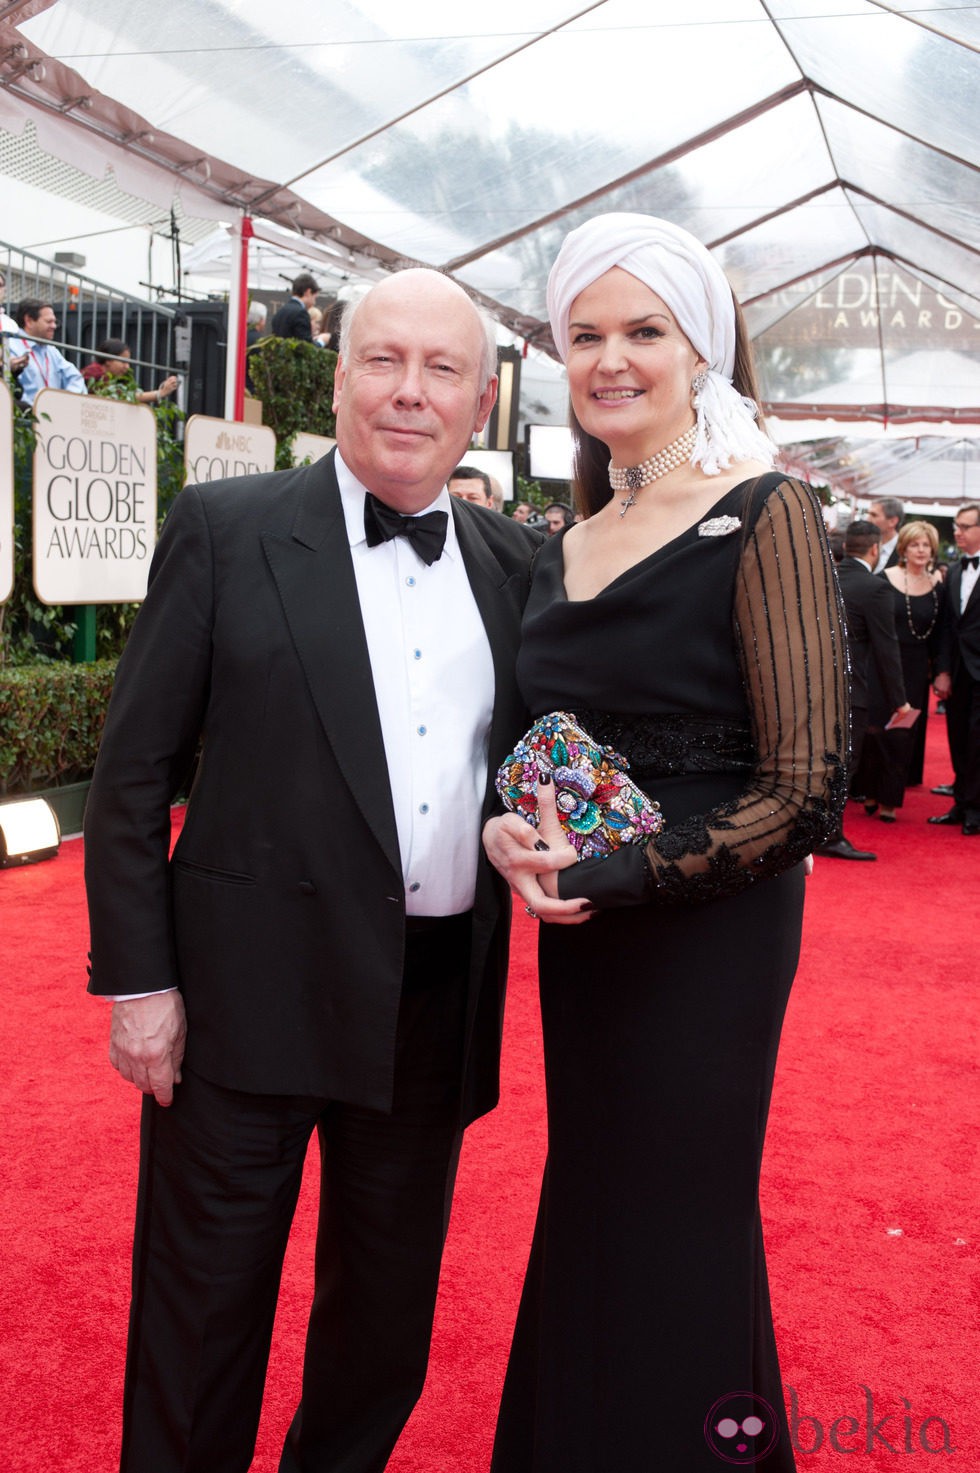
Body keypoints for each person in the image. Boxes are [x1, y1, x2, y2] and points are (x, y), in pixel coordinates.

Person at [83, 267, 540, 1473]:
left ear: (479, 402)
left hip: (430, 1003)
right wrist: (138, 984)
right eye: (381, 361)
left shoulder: (511, 565)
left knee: (381, 1331)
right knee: (200, 1318)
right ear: (336, 379)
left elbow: (541, 762)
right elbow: (132, 776)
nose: (408, 392)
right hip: (244, 997)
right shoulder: (227, 531)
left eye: (440, 369)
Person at [482, 212, 848, 1471]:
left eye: (644, 331)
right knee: (588, 1194)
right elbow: (534, 743)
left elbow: (804, 789)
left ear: (700, 352)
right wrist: (508, 833)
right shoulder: (562, 546)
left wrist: (617, 873)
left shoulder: (764, 515)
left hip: (710, 932)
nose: (610, 360)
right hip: (583, 937)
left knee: (678, 1209)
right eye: (583, 335)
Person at [819, 520, 909, 860]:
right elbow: (888, 651)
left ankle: (814, 833)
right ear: (874, 549)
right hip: (850, 692)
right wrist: (899, 700)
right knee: (845, 765)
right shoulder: (876, 589)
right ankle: (829, 836)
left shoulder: (823, 578)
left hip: (814, 688)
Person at [859, 520, 944, 818]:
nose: (921, 550)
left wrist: (940, 670)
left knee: (902, 734)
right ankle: (869, 790)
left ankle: (889, 801)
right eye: (915, 545)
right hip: (880, 666)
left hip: (916, 668)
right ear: (904, 549)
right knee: (874, 731)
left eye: (926, 545)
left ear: (932, 550)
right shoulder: (884, 579)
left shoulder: (937, 586)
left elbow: (942, 633)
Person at [929, 503, 980, 836]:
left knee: (977, 741)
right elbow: (947, 626)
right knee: (958, 737)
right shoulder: (955, 570)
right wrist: (942, 670)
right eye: (956, 526)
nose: (957, 532)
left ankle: (975, 808)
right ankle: (961, 803)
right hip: (959, 672)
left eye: (964, 526)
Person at [7, 299, 86, 405]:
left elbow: (75, 378)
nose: (54, 326)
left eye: (55, 321)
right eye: (49, 321)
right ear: (29, 321)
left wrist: (65, 403)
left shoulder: (51, 350)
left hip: (53, 416)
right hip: (26, 417)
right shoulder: (10, 347)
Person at [82, 337, 178, 405]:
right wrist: (160, 393)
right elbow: (125, 397)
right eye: (123, 361)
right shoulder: (92, 374)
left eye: (128, 362)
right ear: (108, 360)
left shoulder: (118, 379)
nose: (127, 367)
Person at [271, 271, 319, 340]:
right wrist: (321, 341)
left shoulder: (280, 311)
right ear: (308, 292)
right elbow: (305, 345)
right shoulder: (301, 313)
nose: (314, 302)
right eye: (315, 297)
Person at [868, 496, 903, 572]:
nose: (868, 519)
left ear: (892, 521)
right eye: (869, 514)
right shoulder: (865, 544)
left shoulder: (904, 550)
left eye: (874, 515)